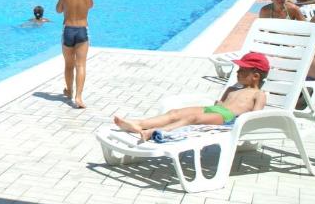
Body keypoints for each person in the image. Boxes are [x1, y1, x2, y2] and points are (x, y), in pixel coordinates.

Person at [113, 52, 269, 141]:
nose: (237, 72)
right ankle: (139, 123)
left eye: (243, 70)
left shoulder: (258, 94)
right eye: (239, 69)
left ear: (255, 76)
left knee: (192, 119)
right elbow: (221, 102)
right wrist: (219, 103)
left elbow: (255, 116)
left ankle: (153, 132)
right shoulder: (232, 88)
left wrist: (239, 121)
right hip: (215, 110)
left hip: (229, 118)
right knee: (175, 113)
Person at [56, 0, 93, 109]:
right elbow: (90, 6)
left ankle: (69, 91)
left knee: (69, 65)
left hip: (68, 30)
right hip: (82, 30)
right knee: (81, 65)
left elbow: (58, 10)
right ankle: (78, 96)